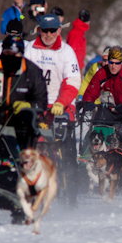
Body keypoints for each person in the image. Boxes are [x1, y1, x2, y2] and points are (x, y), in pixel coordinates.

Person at [24, 14, 82, 203]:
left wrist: (61, 103)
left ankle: (70, 195)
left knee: (67, 152)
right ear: (39, 29)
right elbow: (20, 77)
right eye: (45, 30)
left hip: (60, 106)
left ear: (59, 30)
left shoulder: (66, 52)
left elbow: (73, 82)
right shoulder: (29, 49)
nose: (48, 35)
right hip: (35, 104)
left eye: (52, 31)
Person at [82, 45, 122, 165]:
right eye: (111, 62)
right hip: (109, 110)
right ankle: (86, 162)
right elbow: (91, 91)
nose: (113, 66)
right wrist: (88, 103)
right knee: (93, 131)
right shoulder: (102, 73)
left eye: (117, 63)